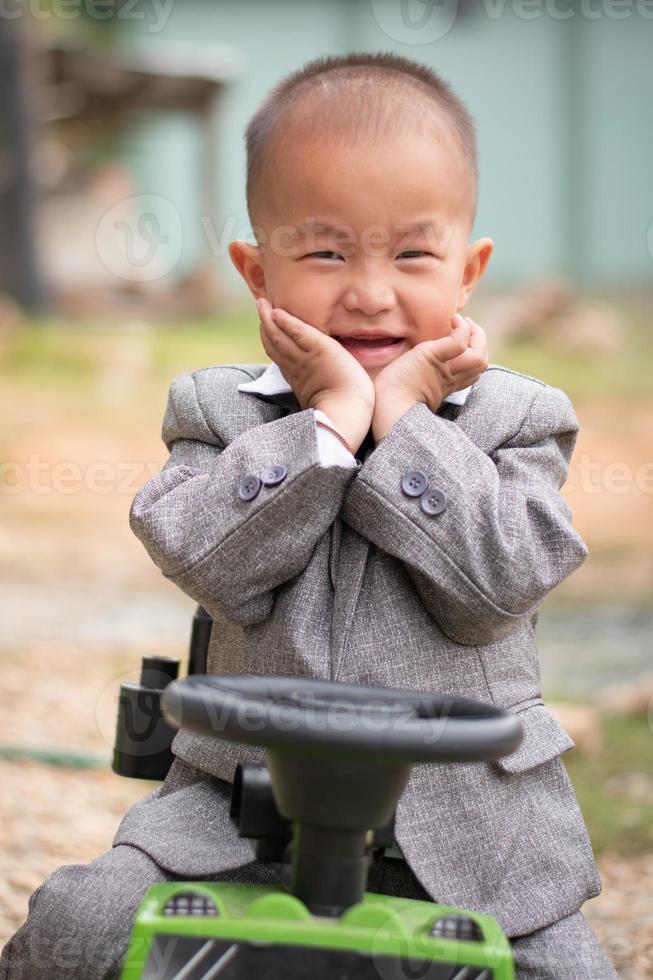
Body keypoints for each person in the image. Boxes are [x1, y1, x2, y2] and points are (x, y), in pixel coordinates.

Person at [0, 51, 618, 980]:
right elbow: (210, 558)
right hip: (233, 818)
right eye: (325, 251)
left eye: (412, 253)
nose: (370, 291)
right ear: (257, 269)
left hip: (473, 841)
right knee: (79, 926)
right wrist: (327, 423)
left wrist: (405, 421)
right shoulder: (220, 413)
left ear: (469, 269)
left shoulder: (515, 422)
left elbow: (494, 589)